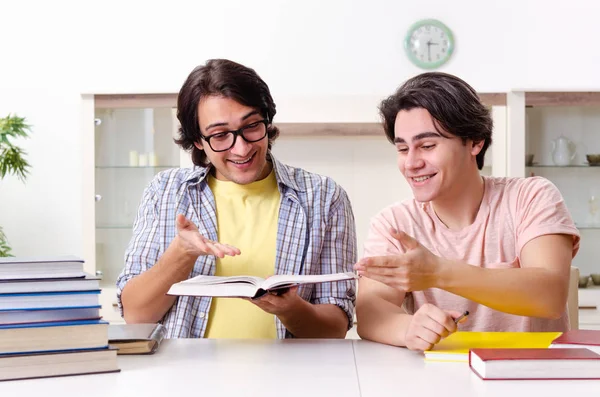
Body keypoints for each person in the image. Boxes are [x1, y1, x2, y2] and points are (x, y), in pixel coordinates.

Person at [116, 59, 356, 339]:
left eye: (252, 126)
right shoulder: (166, 191)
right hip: (185, 377)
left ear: (267, 120)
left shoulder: (324, 198)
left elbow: (336, 328)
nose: (241, 148)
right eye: (219, 135)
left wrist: (290, 309)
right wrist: (181, 255)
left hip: (290, 379)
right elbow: (135, 315)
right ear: (197, 140)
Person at [354, 72, 580, 351]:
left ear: (475, 142)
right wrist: (408, 328)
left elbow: (550, 296)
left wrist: (438, 272)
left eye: (427, 146)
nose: (411, 163)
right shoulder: (395, 223)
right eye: (402, 148)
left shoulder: (530, 197)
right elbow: (371, 311)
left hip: (530, 379)